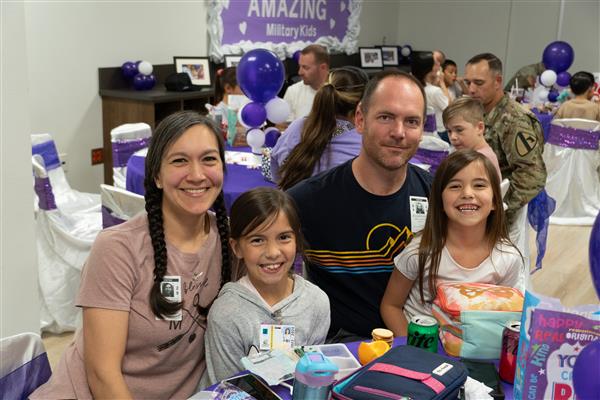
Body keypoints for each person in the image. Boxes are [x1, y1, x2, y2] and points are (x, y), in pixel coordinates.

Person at [30, 111, 232, 399]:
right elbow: (102, 375)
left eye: (209, 159)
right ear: (157, 176)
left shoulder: (227, 238)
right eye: (179, 160)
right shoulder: (117, 249)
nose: (197, 175)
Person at [288, 70, 433, 342]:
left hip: (417, 343)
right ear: (360, 119)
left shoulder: (435, 195)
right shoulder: (308, 201)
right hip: (341, 352)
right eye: (386, 117)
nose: (399, 132)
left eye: (411, 121)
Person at [380, 150, 523, 336]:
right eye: (455, 186)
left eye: (479, 185)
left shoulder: (508, 257)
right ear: (439, 201)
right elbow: (391, 305)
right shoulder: (419, 252)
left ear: (496, 201)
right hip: (424, 352)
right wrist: (411, 348)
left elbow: (509, 313)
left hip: (478, 351)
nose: (467, 193)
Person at [201, 188, 330, 386]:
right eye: (257, 240)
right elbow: (226, 388)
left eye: (284, 237)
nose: (272, 252)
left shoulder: (317, 303)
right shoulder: (226, 313)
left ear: (297, 239)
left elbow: (312, 378)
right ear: (237, 248)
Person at [464, 53, 546, 276]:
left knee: (502, 276)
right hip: (481, 209)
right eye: (467, 82)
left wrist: (501, 210)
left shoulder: (514, 119)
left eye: (478, 83)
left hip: (503, 215)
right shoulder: (479, 110)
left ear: (498, 81)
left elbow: (533, 175)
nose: (471, 89)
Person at [271, 66, 368, 190]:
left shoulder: (297, 126)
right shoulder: (365, 141)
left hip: (291, 204)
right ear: (362, 104)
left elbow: (274, 172)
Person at [443, 97, 501, 179]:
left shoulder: (480, 161)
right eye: (449, 131)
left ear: (479, 128)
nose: (453, 137)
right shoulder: (465, 151)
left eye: (459, 130)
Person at [283, 44, 330, 121]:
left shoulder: (340, 92)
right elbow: (281, 126)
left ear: (323, 67)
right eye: (299, 66)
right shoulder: (293, 91)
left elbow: (349, 127)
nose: (299, 72)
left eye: (305, 67)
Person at [412, 51, 451, 143]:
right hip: (440, 133)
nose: (439, 66)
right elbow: (449, 107)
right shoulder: (435, 91)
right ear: (429, 69)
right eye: (436, 63)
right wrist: (442, 83)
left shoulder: (414, 87)